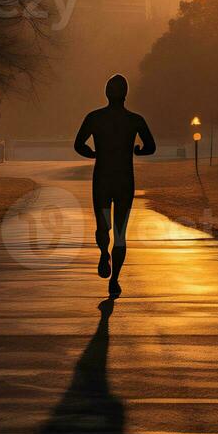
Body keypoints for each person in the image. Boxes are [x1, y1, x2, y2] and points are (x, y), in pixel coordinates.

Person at [74, 74, 156, 298]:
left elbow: (78, 144)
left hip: (102, 180)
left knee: (103, 225)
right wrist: (137, 150)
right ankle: (115, 279)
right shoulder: (135, 120)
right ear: (125, 94)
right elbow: (151, 147)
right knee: (120, 232)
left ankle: (103, 252)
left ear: (106, 93)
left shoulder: (95, 118)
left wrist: (91, 153)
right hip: (124, 182)